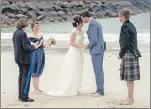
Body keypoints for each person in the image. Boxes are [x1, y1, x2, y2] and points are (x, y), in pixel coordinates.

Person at [48, 16, 86, 96]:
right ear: (78, 23)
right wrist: (81, 46)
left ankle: (76, 87)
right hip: (74, 52)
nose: (83, 23)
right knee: (72, 69)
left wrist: (83, 45)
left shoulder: (82, 30)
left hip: (79, 52)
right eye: (81, 22)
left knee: (78, 68)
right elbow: (71, 43)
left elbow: (81, 41)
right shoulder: (74, 32)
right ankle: (71, 88)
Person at [12, 18, 43, 102]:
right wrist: (34, 46)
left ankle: (20, 95)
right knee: (26, 77)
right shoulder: (23, 33)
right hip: (25, 59)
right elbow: (26, 48)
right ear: (24, 24)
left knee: (21, 76)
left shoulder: (15, 33)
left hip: (18, 58)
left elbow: (20, 45)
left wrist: (31, 44)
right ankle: (24, 96)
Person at [118, 9, 141, 105]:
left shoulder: (125, 27)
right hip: (134, 53)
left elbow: (125, 44)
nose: (118, 17)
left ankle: (130, 99)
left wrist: (121, 54)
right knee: (129, 79)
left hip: (128, 53)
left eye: (119, 15)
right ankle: (130, 97)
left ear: (123, 17)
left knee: (129, 79)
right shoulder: (132, 25)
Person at [80, 11, 105, 96]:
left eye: (82, 18)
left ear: (85, 17)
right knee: (99, 70)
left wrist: (87, 46)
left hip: (97, 50)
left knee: (98, 71)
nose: (82, 20)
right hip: (99, 49)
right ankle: (99, 89)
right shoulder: (95, 22)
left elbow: (94, 40)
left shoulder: (92, 24)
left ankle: (100, 91)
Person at [29, 21, 49, 93]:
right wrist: (40, 43)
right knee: (35, 71)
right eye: (35, 26)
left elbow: (42, 45)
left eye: (38, 26)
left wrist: (47, 45)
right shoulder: (30, 37)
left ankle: (37, 87)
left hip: (41, 53)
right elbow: (31, 47)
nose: (37, 27)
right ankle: (35, 89)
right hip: (34, 54)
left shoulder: (40, 35)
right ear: (32, 28)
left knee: (39, 70)